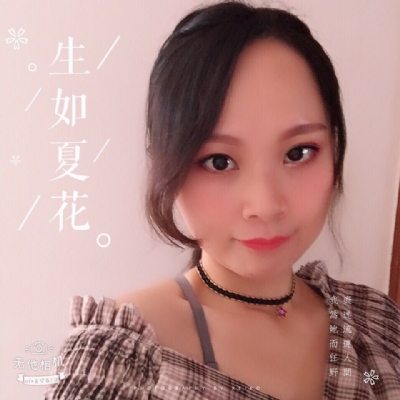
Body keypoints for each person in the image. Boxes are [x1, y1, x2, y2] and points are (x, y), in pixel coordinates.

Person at [43, 1, 400, 399]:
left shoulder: (375, 326)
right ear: (168, 165)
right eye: (219, 161)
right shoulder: (123, 360)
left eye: (299, 153)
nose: (265, 205)